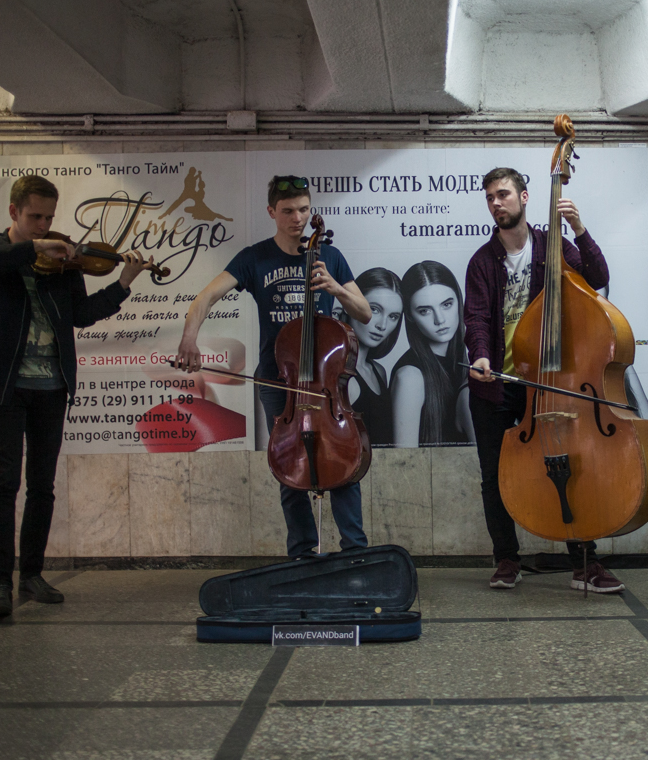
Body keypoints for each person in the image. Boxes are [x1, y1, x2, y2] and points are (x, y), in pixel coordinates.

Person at [0, 175, 152, 617]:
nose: (45, 225)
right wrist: (33, 248)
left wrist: (123, 283)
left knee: (42, 487)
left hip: (51, 386)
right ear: (13, 213)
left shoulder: (65, 262)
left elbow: (81, 316)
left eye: (49, 217)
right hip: (5, 387)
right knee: (4, 484)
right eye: (35, 217)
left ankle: (30, 575)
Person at [177, 175, 372, 558]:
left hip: (323, 380)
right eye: (287, 211)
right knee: (290, 465)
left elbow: (363, 312)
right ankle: (301, 554)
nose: (297, 218)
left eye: (303, 209)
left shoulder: (329, 256)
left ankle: (355, 553)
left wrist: (335, 287)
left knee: (343, 461)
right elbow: (205, 297)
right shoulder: (254, 258)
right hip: (278, 379)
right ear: (271, 212)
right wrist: (189, 338)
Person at [464, 167, 625, 594]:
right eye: (490, 198)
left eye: (503, 195)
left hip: (551, 382)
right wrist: (479, 354)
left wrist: (579, 228)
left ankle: (584, 562)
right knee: (493, 475)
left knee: (567, 464)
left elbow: (598, 279)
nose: (496, 203)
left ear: (525, 197)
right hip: (497, 385)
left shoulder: (556, 249)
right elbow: (477, 317)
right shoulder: (482, 261)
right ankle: (506, 559)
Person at [392, 261, 473, 447]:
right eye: (425, 310)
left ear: (459, 302)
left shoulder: (462, 363)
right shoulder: (410, 377)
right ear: (410, 316)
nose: (440, 319)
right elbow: (404, 465)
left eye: (447, 304)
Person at [342, 267, 403, 446]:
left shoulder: (379, 371)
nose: (382, 325)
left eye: (393, 316)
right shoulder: (337, 374)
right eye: (374, 309)